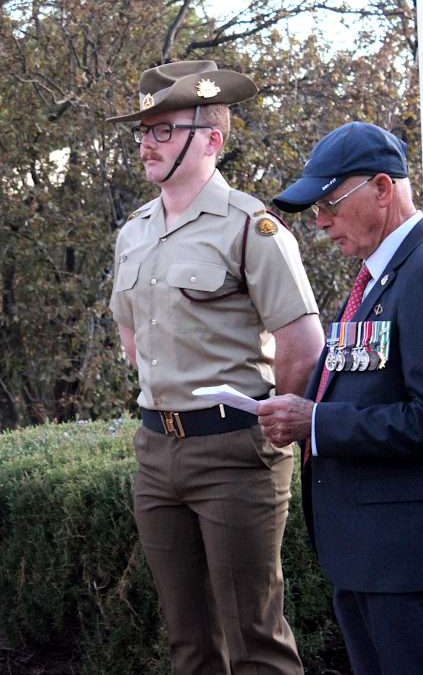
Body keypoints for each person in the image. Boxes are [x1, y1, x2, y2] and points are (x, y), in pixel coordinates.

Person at [257, 121, 423, 674]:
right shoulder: (383, 275)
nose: (321, 222)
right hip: (370, 554)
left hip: (407, 558)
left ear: (382, 188)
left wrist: (316, 423)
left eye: (330, 203)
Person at [106, 60, 323, 674]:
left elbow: (302, 344)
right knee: (188, 643)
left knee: (255, 641)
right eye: (143, 133)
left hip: (233, 448)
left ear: (211, 139)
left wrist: (266, 434)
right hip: (157, 449)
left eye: (163, 131)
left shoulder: (252, 226)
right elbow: (132, 341)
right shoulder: (135, 233)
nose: (147, 144)